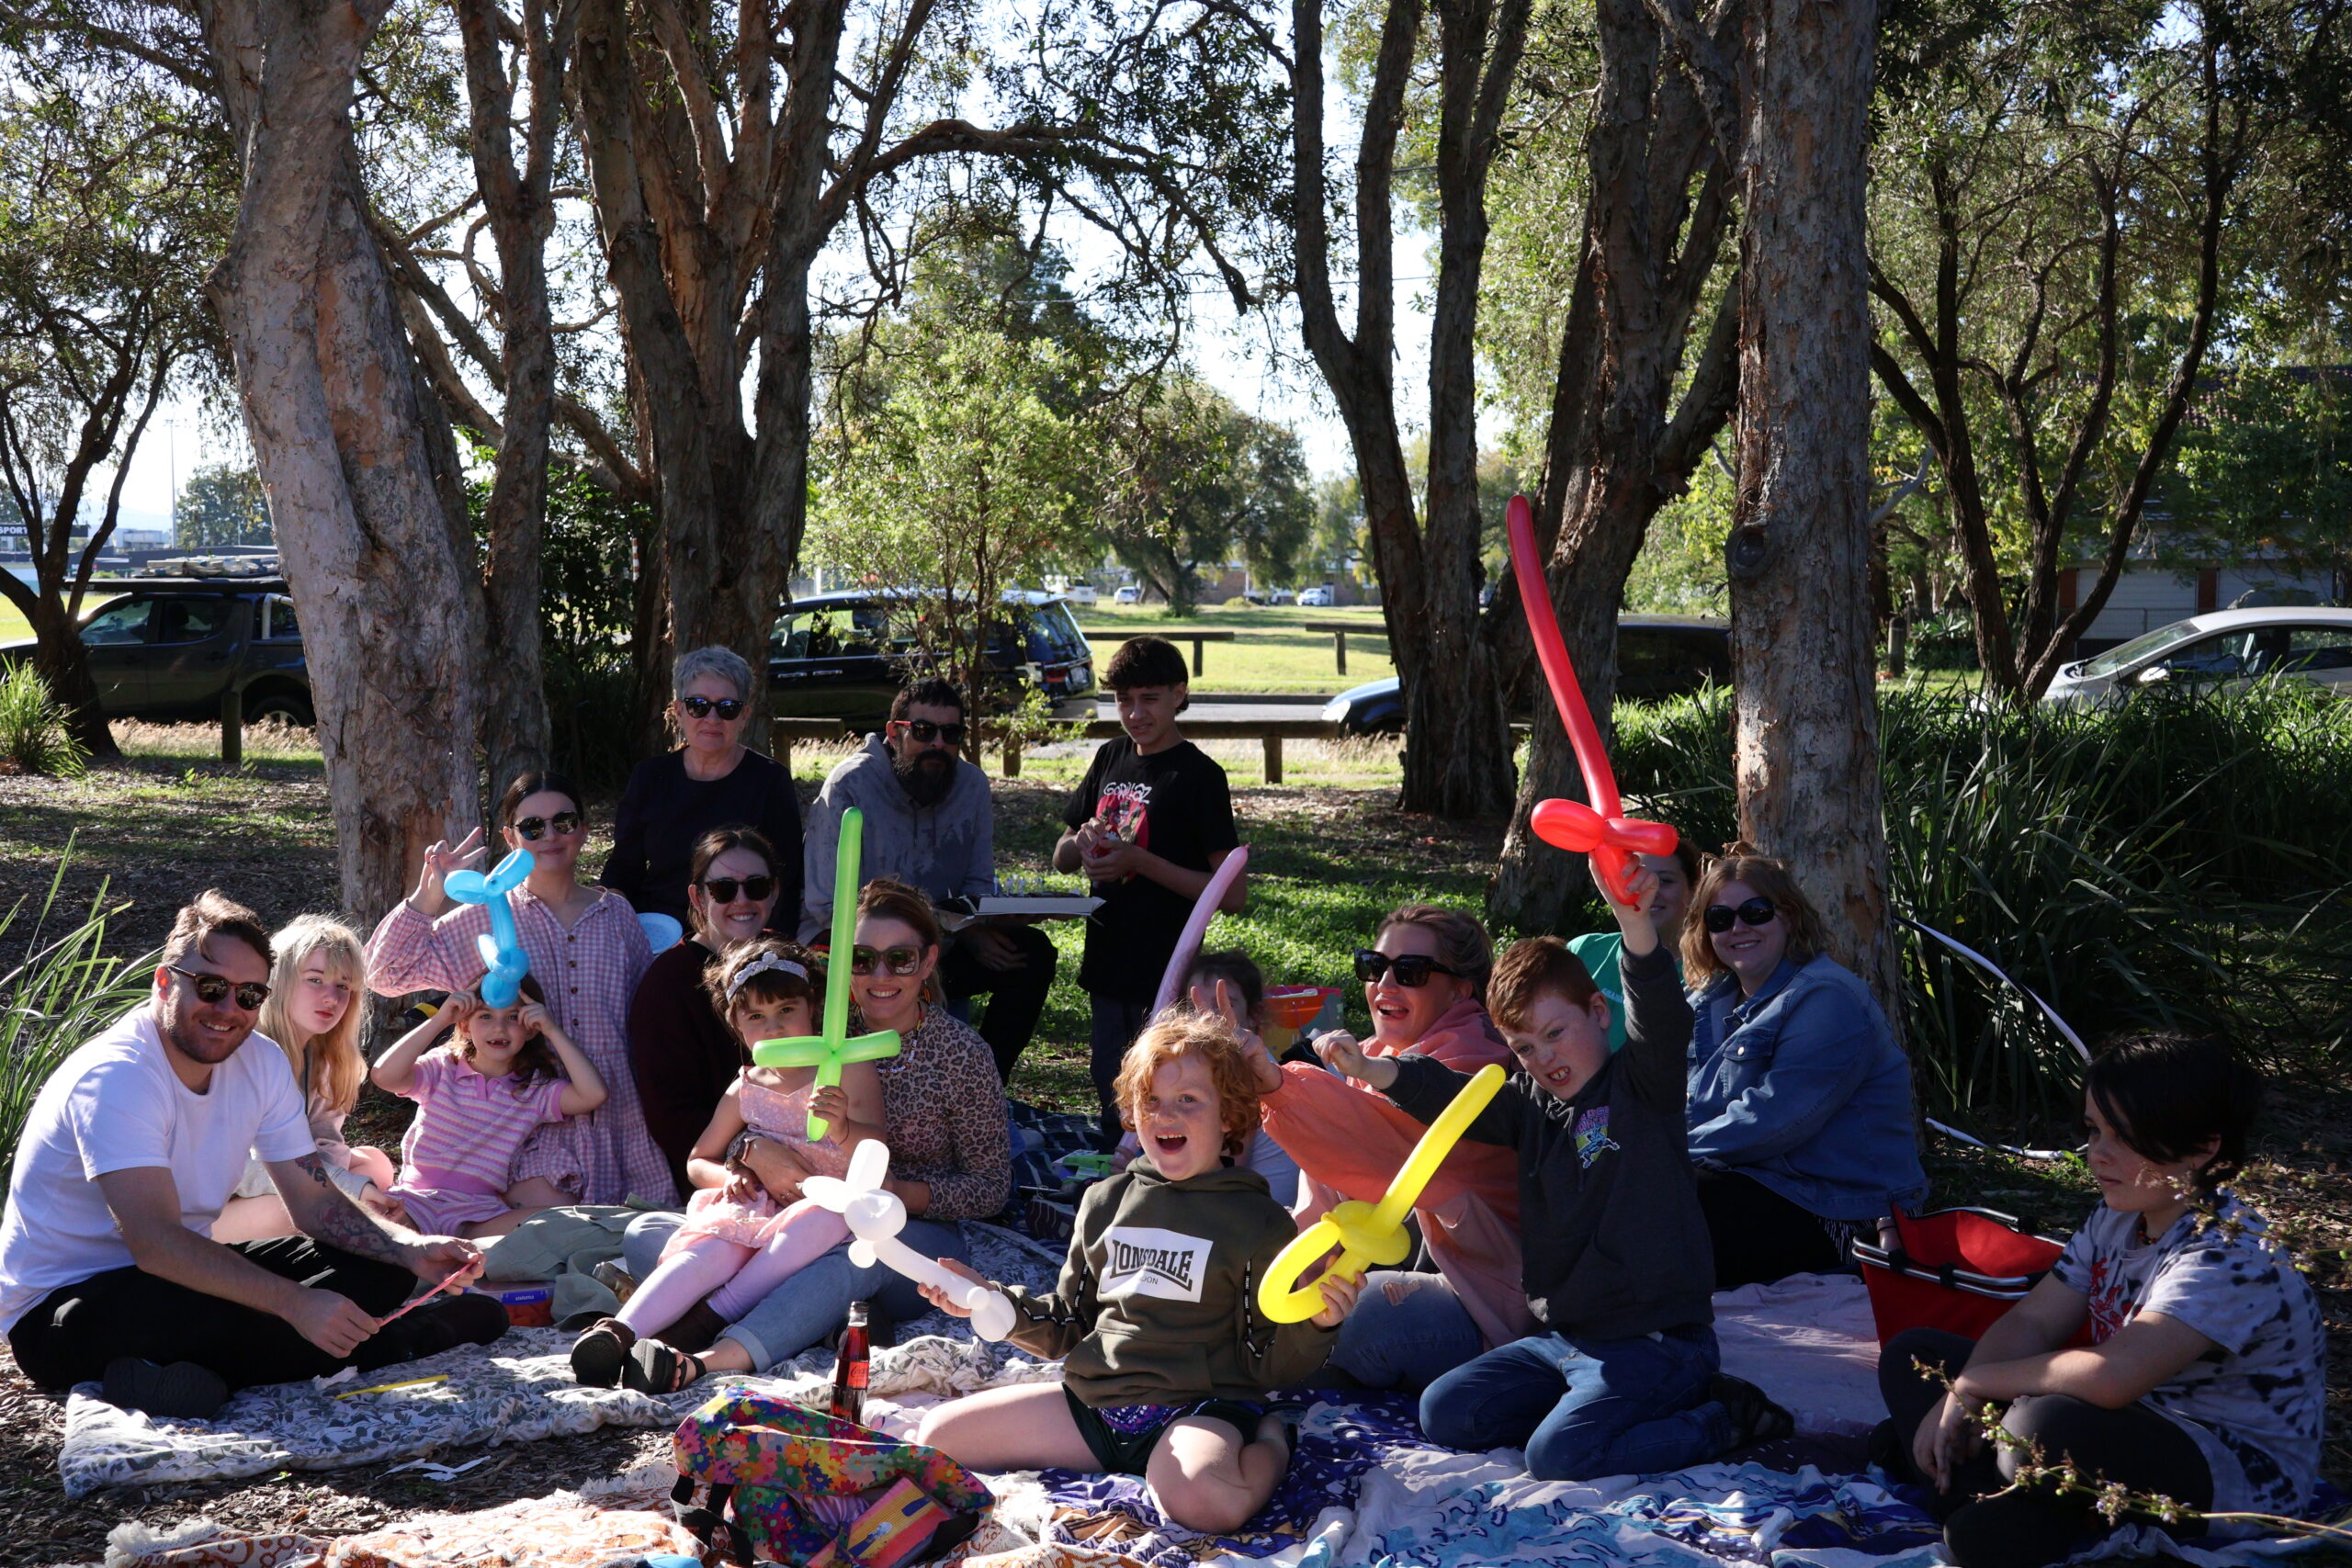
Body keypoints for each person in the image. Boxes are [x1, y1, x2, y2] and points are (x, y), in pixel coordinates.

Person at [1328, 862, 1790, 1481]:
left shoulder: (1643, 1085)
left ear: (1599, 1011)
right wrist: (1378, 1069)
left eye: (1555, 1033)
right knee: (1446, 1411)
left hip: (1659, 1340)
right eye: (1523, 1046)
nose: (1544, 1057)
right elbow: (1459, 1097)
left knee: (1558, 1456)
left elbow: (1662, 1013)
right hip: (1567, 1340)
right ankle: (1602, 1408)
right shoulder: (1530, 1104)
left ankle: (1719, 1414)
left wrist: (1635, 927)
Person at [0, 892, 503, 1420]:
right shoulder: (118, 1076)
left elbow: (314, 1202)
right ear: (165, 982)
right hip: (68, 1308)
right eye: (212, 988)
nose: (227, 1010)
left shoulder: (259, 1060)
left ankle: (178, 1376)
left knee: (380, 1270)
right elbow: (155, 1244)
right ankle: (402, 1341)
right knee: (247, 1312)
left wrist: (408, 1247)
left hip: (180, 1278)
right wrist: (294, 1302)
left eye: (248, 995)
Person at [1877, 1034, 2324, 1568]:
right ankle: (1998, 1502)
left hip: (2229, 1472)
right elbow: (2035, 1318)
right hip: (2128, 1428)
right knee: (1915, 1358)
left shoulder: (2229, 1252)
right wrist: (1958, 1394)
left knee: (2033, 1428)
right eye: (2094, 1130)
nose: (2098, 1153)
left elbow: (2113, 1376)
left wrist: (1973, 1386)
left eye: (2127, 1137)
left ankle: (1980, 1493)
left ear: (2205, 1147)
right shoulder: (2119, 1213)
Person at [915, 1013, 1357, 1535]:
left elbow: (1266, 1361)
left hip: (1197, 1410)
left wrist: (1317, 1323)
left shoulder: (1258, 1222)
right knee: (935, 1436)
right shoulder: (1104, 1202)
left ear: (1231, 1117)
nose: (1166, 1114)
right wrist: (991, 1301)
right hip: (1095, 1407)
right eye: (1151, 1100)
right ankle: (1140, 1466)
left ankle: (1271, 1441)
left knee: (1205, 1504)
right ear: (1131, 1110)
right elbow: (1069, 1324)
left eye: (1189, 1100)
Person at [612, 879, 1012, 1378]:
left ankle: (703, 1356)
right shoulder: (804, 1029)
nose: (880, 974)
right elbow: (754, 1109)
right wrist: (752, 1151)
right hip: (786, 1218)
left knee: (849, 1262)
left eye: (900, 959)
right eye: (863, 959)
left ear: (927, 962)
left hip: (901, 1230)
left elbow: (992, 1187)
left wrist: (892, 1195)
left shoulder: (961, 1054)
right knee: (647, 1233)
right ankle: (824, 1319)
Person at [573, 939, 882, 1392]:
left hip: (826, 1209)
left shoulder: (846, 1070)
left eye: (786, 1011)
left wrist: (841, 1127)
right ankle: (617, 1332)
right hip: (758, 1208)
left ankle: (701, 1323)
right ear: (736, 1025)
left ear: (812, 1009)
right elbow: (698, 1162)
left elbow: (877, 1148)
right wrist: (736, 1171)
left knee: (823, 1218)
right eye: (756, 1017)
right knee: (716, 1247)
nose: (774, 1029)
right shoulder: (746, 1088)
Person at [1249, 904, 1529, 1393]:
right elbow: (1318, 1211)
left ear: (1460, 989)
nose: (1385, 986)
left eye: (1411, 972)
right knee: (1247, 1274)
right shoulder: (1371, 1059)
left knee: (1366, 1315)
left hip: (1481, 1302)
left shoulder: (1479, 1067)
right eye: (1374, 967)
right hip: (1391, 1276)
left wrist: (1274, 1081)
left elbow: (1377, 1143)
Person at [368, 771, 674, 1208]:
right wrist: (429, 895)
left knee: (632, 1244)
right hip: (523, 1121)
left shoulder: (616, 913)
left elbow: (644, 1017)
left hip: (617, 1112)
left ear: (584, 830)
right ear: (511, 839)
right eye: (532, 827)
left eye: (563, 822)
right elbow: (385, 973)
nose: (549, 835)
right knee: (535, 1246)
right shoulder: (485, 915)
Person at [1681, 848, 1928, 1287]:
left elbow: (1775, 1120)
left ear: (1789, 917)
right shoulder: (1709, 1001)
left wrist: (1664, 1150)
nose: (1738, 928)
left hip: (1843, 1214)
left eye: (1755, 912)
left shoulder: (1827, 998)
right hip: (1752, 1185)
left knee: (1672, 1201)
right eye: (1720, 919)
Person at [801, 677, 1057, 1083]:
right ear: (894, 733)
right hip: (851, 951)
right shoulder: (849, 785)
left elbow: (976, 884)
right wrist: (952, 929)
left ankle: (982, 1083)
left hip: (939, 946)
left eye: (951, 733)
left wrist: (987, 922)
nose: (938, 744)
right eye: (923, 731)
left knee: (1031, 954)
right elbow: (826, 905)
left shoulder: (971, 785)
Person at [1054, 637, 1243, 1137]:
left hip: (1167, 967)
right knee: (1108, 1080)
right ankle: (1110, 1179)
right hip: (1106, 955)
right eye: (1123, 700)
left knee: (1161, 1083)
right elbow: (1062, 854)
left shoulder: (1200, 776)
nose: (1135, 713)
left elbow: (1231, 893)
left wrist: (1139, 860)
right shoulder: (1110, 756)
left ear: (1179, 694)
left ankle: (1159, 1175)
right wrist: (1085, 842)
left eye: (1149, 699)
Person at [372, 977, 610, 1239]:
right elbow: (384, 1076)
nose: (499, 1028)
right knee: (371, 1221)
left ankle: (461, 1258)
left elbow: (593, 1094)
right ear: (464, 1025)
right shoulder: (442, 1067)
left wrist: (552, 1030)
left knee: (565, 1222)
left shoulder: (534, 1089)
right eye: (485, 1016)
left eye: (512, 1018)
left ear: (530, 1029)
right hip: (416, 1202)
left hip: (481, 1215)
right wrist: (440, 1020)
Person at [215, 915, 400, 1242]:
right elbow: (239, 1171)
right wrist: (342, 1189)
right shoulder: (244, 1055)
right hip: (215, 1208)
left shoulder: (325, 1058)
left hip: (287, 1179)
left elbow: (326, 1143)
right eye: (315, 980)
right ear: (281, 980)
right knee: (289, 1212)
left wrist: (342, 1187)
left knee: (376, 1164)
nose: (332, 998)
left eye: (343, 986)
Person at [603, 646, 805, 931]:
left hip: (738, 934)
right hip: (657, 932)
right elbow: (624, 867)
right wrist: (610, 918)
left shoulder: (769, 781)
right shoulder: (649, 777)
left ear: (744, 715)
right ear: (678, 711)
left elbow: (785, 881)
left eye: (727, 708)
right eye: (699, 705)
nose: (712, 719)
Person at [628, 826, 785, 1193]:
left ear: (775, 891)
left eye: (757, 886)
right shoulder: (667, 983)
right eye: (723, 889)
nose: (742, 900)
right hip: (725, 1180)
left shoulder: (790, 962)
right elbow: (671, 1115)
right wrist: (747, 1155)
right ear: (698, 898)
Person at [1566, 840, 1700, 1054]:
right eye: (1636, 878)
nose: (1650, 889)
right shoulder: (1584, 950)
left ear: (1693, 890)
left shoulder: (1706, 976)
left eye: (1665, 880)